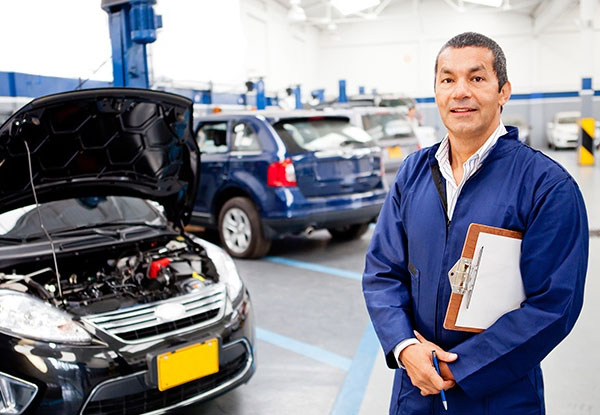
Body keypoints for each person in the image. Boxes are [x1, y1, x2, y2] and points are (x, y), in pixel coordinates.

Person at [362, 32, 588, 415]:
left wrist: (461, 368)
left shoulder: (545, 186)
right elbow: (382, 272)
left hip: (501, 394)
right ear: (435, 92)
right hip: (416, 389)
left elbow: (554, 305)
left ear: (503, 91)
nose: (460, 91)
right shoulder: (413, 174)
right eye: (448, 79)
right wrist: (405, 348)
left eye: (477, 78)